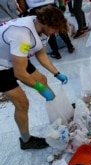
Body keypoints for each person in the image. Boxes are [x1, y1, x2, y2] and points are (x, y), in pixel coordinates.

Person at [0, 5, 68, 150]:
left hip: (14, 56)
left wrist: (56, 73)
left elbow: (41, 54)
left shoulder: (41, 29)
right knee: (22, 103)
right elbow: (19, 73)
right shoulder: (23, 36)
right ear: (46, 24)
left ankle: (58, 112)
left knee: (42, 79)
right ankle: (26, 140)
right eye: (55, 29)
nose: (57, 32)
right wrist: (40, 89)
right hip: (1, 66)